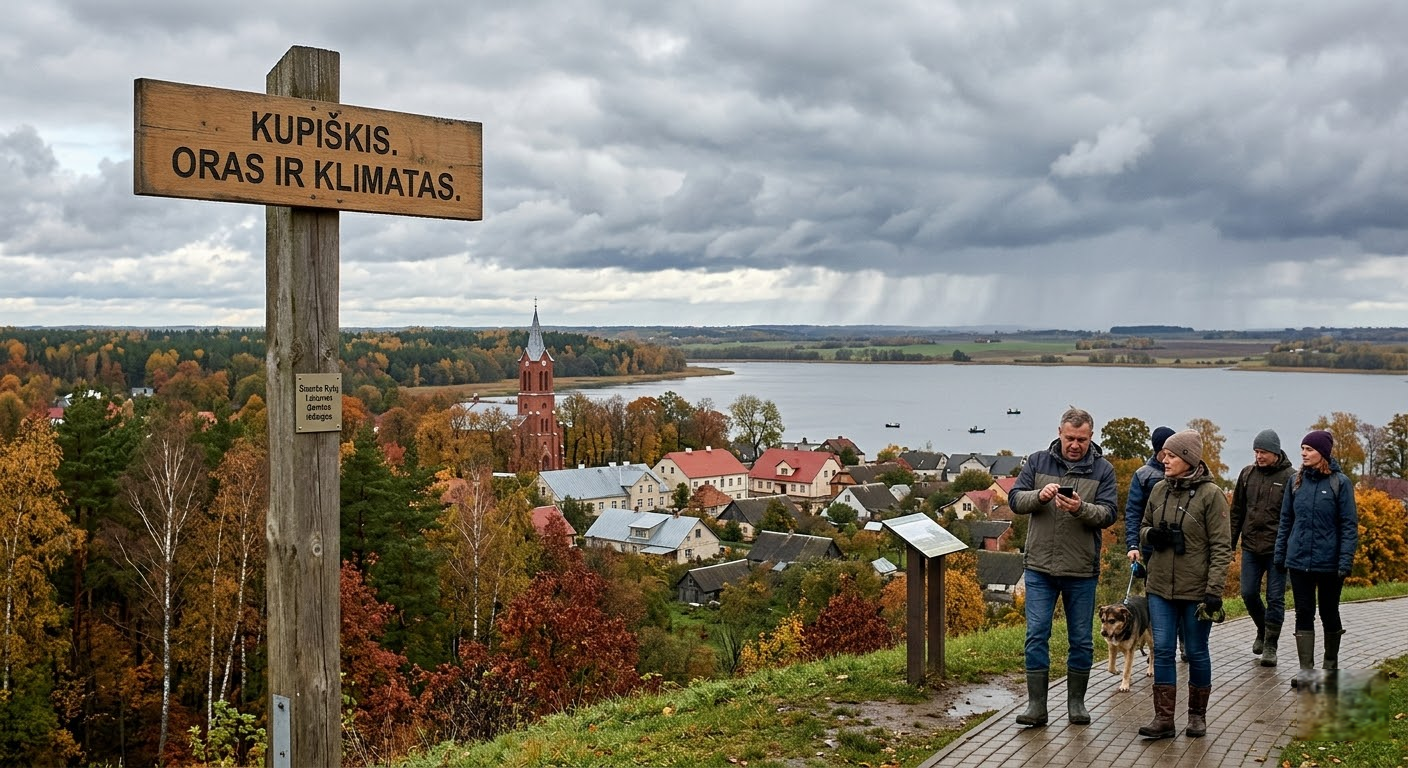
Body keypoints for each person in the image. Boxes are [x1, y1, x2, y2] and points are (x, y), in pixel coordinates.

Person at [1010, 407, 1118, 727]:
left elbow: (1109, 514)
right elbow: (1016, 500)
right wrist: (1039, 497)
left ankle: (1076, 704)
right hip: (1040, 566)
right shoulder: (1037, 461)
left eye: (1081, 439)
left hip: (1081, 569)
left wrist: (1080, 508)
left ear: (1090, 437)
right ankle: (1036, 707)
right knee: (1036, 634)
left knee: (1082, 639)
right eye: (1070, 438)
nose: (1075, 444)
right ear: (1059, 432)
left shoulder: (1104, 470)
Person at [1137, 429, 1232, 740]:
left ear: (1189, 460)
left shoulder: (1211, 495)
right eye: (1165, 454)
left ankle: (1196, 716)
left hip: (1196, 590)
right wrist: (1153, 536)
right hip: (1160, 586)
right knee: (1162, 650)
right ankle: (1163, 719)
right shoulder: (1159, 490)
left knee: (1196, 650)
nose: (1165, 459)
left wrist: (1214, 591)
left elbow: (1221, 546)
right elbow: (1143, 527)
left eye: (1172, 455)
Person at [1274, 430, 1358, 689]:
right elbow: (1286, 520)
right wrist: (1281, 554)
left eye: (1309, 449)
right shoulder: (1295, 482)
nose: (1303, 453)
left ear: (1322, 453)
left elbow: (1348, 525)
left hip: (1330, 563)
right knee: (1303, 612)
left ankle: (1329, 668)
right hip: (1299, 561)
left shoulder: (1340, 483)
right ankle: (1307, 672)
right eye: (1302, 448)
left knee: (1329, 613)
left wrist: (1345, 561)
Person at [1230, 429, 1294, 666]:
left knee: (1275, 598)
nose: (1259, 456)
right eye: (1256, 451)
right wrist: (1230, 544)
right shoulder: (1247, 474)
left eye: (1263, 452)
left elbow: (1295, 516)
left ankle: (1271, 645)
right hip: (1250, 547)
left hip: (1277, 549)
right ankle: (1262, 628)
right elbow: (1236, 512)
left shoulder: (1291, 477)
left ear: (1275, 452)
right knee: (1248, 593)